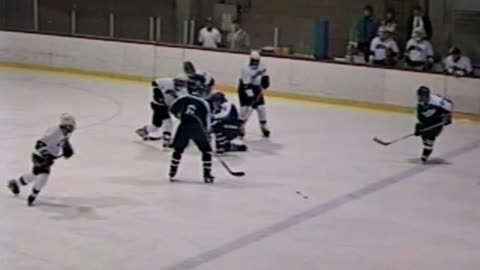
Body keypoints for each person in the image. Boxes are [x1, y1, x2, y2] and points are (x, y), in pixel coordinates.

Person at [7, 114, 76, 206]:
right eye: (69, 127)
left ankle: (16, 184)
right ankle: (32, 196)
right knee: (44, 175)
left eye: (72, 127)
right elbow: (39, 144)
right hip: (39, 155)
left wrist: (66, 147)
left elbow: (63, 140)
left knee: (35, 174)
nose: (71, 129)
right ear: (64, 125)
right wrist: (46, 156)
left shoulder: (67, 132)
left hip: (49, 157)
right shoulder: (54, 131)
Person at [168, 82, 214, 183]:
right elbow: (207, 120)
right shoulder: (204, 103)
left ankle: (172, 171)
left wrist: (180, 116)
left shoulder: (183, 98)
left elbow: (172, 109)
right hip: (198, 128)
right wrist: (207, 133)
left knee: (178, 150)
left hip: (184, 126)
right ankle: (207, 175)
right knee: (206, 151)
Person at [136, 76, 189, 148]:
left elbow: (181, 102)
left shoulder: (183, 92)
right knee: (168, 122)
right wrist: (158, 94)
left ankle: (144, 131)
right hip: (158, 105)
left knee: (156, 125)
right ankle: (166, 139)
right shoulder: (167, 82)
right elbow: (154, 83)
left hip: (165, 107)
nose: (181, 85)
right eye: (180, 82)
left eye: (183, 83)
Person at [414, 86, 453, 163]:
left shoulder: (437, 101)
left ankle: (425, 155)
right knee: (424, 137)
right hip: (427, 121)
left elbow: (450, 104)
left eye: (423, 97)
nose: (421, 98)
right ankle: (427, 147)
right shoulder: (420, 102)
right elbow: (421, 115)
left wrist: (448, 117)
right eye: (420, 96)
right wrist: (418, 126)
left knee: (430, 137)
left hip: (437, 121)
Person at [238, 50, 271, 138]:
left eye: (256, 61)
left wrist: (266, 82)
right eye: (253, 61)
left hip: (257, 88)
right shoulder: (245, 69)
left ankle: (264, 127)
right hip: (244, 88)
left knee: (261, 108)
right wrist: (251, 97)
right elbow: (246, 86)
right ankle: (241, 126)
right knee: (245, 108)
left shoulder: (263, 65)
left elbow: (265, 78)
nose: (255, 63)